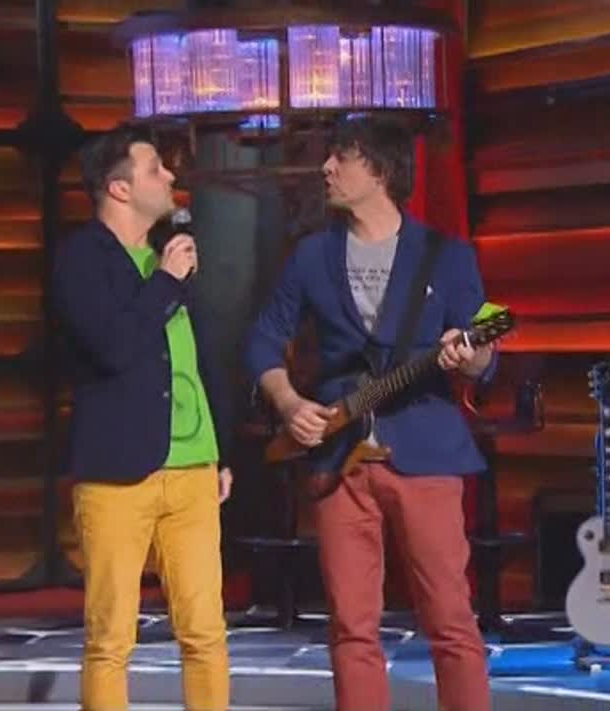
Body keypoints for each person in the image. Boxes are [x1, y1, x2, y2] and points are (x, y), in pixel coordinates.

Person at [246, 115, 496, 711]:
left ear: (380, 171)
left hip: (425, 453)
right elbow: (263, 341)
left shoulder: (448, 256)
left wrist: (470, 355)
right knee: (351, 625)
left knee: (450, 617)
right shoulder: (311, 257)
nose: (326, 168)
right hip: (338, 458)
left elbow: (486, 348)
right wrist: (290, 402)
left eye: (342, 157)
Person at [51, 123, 235, 711]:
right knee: (111, 638)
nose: (171, 176)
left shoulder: (167, 258)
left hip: (193, 469)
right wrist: (165, 283)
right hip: (118, 472)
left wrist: (221, 451)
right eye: (156, 168)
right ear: (119, 188)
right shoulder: (83, 259)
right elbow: (113, 346)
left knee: (205, 631)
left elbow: (200, 357)